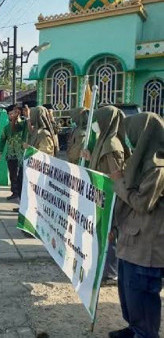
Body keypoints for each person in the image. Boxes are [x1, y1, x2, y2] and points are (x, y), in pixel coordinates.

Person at [108, 112, 163, 338]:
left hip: (147, 244)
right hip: (131, 238)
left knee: (142, 294)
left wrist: (119, 183)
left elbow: (142, 202)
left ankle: (145, 333)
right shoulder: (140, 161)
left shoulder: (158, 168)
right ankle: (134, 328)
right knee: (129, 293)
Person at [81, 105, 130, 286]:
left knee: (110, 233)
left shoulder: (111, 145)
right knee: (102, 232)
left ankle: (111, 273)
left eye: (97, 119)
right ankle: (104, 267)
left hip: (111, 198)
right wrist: (90, 156)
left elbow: (116, 176)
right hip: (101, 196)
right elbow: (102, 166)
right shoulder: (103, 141)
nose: (94, 124)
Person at [0, 105, 28, 201]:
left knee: (21, 176)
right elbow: (2, 140)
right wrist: (0, 152)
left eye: (13, 113)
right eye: (10, 114)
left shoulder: (23, 124)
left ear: (18, 113)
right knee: (12, 174)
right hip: (11, 154)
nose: (12, 115)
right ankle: (15, 192)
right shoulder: (6, 128)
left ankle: (20, 193)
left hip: (21, 154)